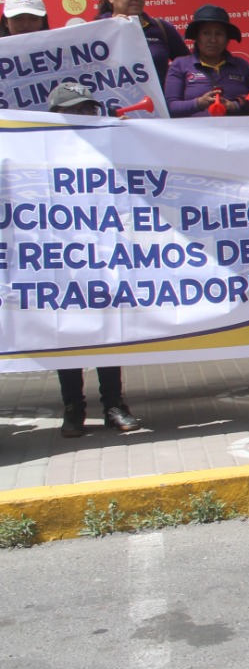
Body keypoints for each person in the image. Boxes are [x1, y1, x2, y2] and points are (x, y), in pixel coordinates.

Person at [44, 81, 142, 436]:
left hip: (103, 260)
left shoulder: (108, 152)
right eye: (73, 110)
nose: (82, 116)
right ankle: (73, 408)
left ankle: (114, 405)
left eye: (87, 110)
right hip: (59, 263)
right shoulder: (37, 155)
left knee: (106, 334)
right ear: (55, 116)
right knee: (67, 336)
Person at [163, 5, 249, 117]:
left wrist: (234, 106)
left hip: (237, 132)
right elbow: (170, 107)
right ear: (197, 37)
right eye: (206, 33)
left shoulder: (241, 65)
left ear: (227, 39)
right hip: (194, 133)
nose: (213, 40)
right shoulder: (180, 65)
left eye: (219, 34)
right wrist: (199, 103)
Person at [100, 0, 188, 85]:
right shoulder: (96, 31)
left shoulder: (161, 29)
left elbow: (188, 67)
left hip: (157, 103)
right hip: (115, 102)